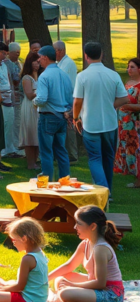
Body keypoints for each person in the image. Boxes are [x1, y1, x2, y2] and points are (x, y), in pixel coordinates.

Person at [73, 42, 128, 196]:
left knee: (95, 158)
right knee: (108, 159)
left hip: (90, 124)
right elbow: (124, 98)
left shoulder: (82, 76)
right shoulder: (113, 74)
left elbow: (77, 101)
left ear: (86, 56)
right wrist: (111, 105)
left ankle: (104, 192)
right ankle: (107, 191)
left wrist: (75, 117)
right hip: (110, 124)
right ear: (102, 54)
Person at [49, 205, 124, 302]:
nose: (75, 227)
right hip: (97, 287)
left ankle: (73, 297)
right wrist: (45, 279)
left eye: (79, 224)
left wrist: (73, 285)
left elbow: (100, 284)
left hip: (111, 294)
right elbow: (69, 266)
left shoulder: (100, 249)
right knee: (60, 278)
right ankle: (77, 297)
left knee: (64, 293)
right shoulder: (86, 243)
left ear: (93, 226)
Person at [33, 45, 73, 181]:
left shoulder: (44, 76)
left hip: (48, 116)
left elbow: (42, 99)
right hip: (62, 116)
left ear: (44, 57)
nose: (38, 60)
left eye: (39, 57)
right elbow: (70, 97)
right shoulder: (64, 74)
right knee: (61, 150)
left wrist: (34, 101)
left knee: (46, 152)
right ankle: (65, 180)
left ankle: (48, 181)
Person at [115, 58, 140, 188]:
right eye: (128, 67)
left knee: (137, 149)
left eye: (132, 67)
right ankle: (130, 170)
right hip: (124, 123)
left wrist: (126, 105)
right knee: (127, 148)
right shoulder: (127, 82)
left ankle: (138, 179)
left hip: (136, 124)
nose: (128, 69)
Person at [55, 40, 80, 162]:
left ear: (61, 51)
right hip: (61, 101)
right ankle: (63, 153)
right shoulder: (59, 63)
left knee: (70, 129)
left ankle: (72, 155)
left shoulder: (68, 64)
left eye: (55, 51)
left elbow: (69, 85)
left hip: (67, 101)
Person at [0, 42, 15, 164]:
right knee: (0, 126)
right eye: (4, 54)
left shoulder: (4, 65)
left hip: (8, 98)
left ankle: (7, 149)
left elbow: (9, 79)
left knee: (8, 124)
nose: (5, 56)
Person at [19, 52, 41, 170]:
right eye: (35, 62)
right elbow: (29, 94)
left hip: (38, 107)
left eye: (39, 62)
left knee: (36, 134)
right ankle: (30, 163)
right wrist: (41, 92)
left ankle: (35, 161)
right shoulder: (26, 78)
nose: (37, 64)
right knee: (29, 134)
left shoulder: (39, 75)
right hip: (29, 107)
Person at [5, 42, 24, 158]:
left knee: (18, 122)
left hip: (18, 96)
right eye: (16, 52)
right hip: (12, 97)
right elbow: (15, 79)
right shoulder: (8, 64)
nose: (18, 54)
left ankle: (16, 145)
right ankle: (12, 147)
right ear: (10, 53)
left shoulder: (18, 63)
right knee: (13, 123)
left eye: (19, 52)